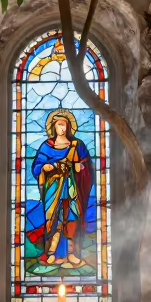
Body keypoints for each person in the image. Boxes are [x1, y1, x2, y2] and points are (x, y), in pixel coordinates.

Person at [27, 109, 95, 267]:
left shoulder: (77, 145)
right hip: (53, 187)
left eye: (65, 125)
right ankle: (51, 253)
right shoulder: (46, 146)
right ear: (54, 127)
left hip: (71, 187)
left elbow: (87, 166)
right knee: (54, 219)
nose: (63, 128)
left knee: (71, 218)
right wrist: (47, 167)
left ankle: (72, 253)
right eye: (59, 125)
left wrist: (80, 167)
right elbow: (37, 166)